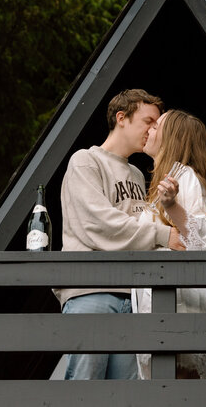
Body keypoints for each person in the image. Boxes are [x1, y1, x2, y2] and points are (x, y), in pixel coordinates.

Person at [55, 89, 185, 380]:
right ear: (121, 118)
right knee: (84, 391)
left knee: (127, 398)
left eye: (156, 124)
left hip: (136, 297)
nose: (153, 130)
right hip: (92, 291)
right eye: (148, 121)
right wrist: (163, 235)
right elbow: (99, 225)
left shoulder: (139, 176)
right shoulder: (86, 161)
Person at [133, 109, 206, 379]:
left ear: (172, 138)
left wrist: (173, 207)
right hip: (159, 312)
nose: (149, 130)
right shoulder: (163, 182)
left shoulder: (187, 178)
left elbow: (202, 239)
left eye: (156, 126)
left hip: (178, 309)